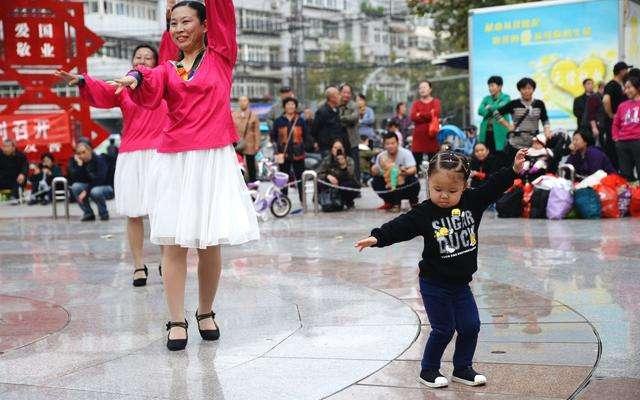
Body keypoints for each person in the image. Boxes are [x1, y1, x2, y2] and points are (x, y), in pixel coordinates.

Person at [110, 0, 260, 351]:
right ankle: (176, 319)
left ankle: (205, 311)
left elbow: (223, 10)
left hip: (212, 159)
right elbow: (146, 83)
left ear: (206, 25)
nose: (178, 29)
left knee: (209, 243)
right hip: (173, 161)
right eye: (172, 23)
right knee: (172, 243)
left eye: (186, 21)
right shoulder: (167, 68)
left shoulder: (221, 56)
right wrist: (133, 77)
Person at [355, 149, 527, 389]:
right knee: (444, 328)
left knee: (470, 326)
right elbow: (401, 226)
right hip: (434, 283)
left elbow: (493, 186)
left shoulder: (472, 202)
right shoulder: (426, 212)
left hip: (461, 283)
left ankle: (462, 368)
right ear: (428, 184)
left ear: (464, 187)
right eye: (437, 190)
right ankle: (429, 370)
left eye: (452, 191)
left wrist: (514, 170)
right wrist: (377, 237)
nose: (444, 196)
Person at [56, 43, 169, 287]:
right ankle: (139, 265)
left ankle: (166, 261)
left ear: (156, 63)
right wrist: (82, 80)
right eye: (137, 56)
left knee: (162, 213)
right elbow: (102, 89)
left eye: (148, 58)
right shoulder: (124, 90)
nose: (142, 60)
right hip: (131, 155)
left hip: (160, 154)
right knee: (133, 213)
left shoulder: (164, 86)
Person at [495, 77, 551, 160]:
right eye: (524, 88)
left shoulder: (539, 104)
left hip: (534, 142)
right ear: (519, 90)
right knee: (516, 167)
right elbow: (496, 113)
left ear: (533, 89)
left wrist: (547, 131)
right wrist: (508, 126)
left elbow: (545, 119)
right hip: (516, 143)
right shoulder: (514, 104)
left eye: (529, 88)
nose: (527, 91)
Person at [271, 97, 309, 202]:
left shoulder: (300, 120)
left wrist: (303, 146)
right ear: (284, 106)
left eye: (292, 104)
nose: (290, 106)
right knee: (283, 180)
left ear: (295, 107)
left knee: (300, 178)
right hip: (284, 154)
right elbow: (273, 136)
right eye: (288, 104)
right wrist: (277, 150)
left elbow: (306, 136)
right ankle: (284, 201)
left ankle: (303, 200)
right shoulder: (279, 121)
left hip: (298, 153)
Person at [371, 132, 420, 212]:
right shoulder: (381, 156)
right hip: (388, 181)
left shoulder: (406, 153)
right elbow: (377, 170)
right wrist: (374, 170)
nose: (390, 146)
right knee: (375, 181)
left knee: (413, 181)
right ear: (384, 145)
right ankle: (389, 202)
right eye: (387, 144)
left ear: (398, 143)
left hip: (404, 180)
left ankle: (413, 201)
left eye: (393, 143)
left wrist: (403, 172)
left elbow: (413, 169)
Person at [68, 142, 114, 222]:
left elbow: (101, 179)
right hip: (91, 187)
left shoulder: (99, 159)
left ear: (90, 150)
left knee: (95, 191)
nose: (81, 155)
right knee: (76, 187)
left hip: (107, 187)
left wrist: (86, 191)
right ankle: (88, 213)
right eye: (79, 153)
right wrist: (80, 166)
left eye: (83, 152)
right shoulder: (82, 162)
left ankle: (104, 214)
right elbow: (77, 179)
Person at [316, 138, 360, 210]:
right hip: (331, 184)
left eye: (340, 148)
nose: (337, 150)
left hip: (343, 184)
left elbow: (351, 175)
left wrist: (343, 166)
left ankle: (348, 201)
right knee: (320, 183)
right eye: (335, 148)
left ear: (343, 149)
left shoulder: (349, 160)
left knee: (349, 184)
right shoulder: (327, 159)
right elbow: (318, 173)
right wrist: (328, 176)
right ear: (332, 149)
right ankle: (325, 201)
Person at [603, 61, 632, 168]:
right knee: (613, 148)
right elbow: (606, 100)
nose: (628, 72)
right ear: (622, 71)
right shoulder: (611, 85)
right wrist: (611, 115)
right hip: (612, 123)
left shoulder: (622, 85)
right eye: (626, 70)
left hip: (621, 124)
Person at [612, 76, 640, 181]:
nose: (626, 91)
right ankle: (631, 196)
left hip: (638, 141)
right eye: (625, 88)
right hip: (623, 143)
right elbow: (615, 124)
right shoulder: (622, 105)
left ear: (637, 88)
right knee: (625, 174)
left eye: (629, 87)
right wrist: (616, 138)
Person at [477, 76, 511, 157]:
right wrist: (493, 108)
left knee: (500, 155)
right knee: (486, 155)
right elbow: (480, 111)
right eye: (489, 86)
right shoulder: (486, 98)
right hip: (486, 132)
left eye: (492, 86)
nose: (490, 88)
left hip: (500, 132)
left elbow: (501, 108)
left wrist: (489, 107)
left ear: (500, 86)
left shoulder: (506, 97)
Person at [410, 80, 441, 166]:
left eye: (424, 87)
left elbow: (436, 114)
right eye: (420, 88)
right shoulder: (416, 103)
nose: (422, 89)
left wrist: (420, 114)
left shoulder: (436, 102)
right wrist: (429, 114)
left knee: (434, 165)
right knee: (415, 163)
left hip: (432, 136)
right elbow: (413, 117)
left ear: (430, 89)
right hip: (418, 137)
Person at [311, 86, 347, 156]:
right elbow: (314, 130)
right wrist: (315, 142)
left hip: (337, 146)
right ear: (332, 98)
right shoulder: (322, 112)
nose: (340, 97)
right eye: (338, 94)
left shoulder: (336, 110)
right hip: (326, 148)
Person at [232, 96, 261, 182]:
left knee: (251, 166)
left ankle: (253, 183)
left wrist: (257, 145)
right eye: (241, 101)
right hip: (237, 144)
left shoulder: (253, 115)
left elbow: (257, 132)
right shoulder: (234, 114)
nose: (242, 103)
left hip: (250, 144)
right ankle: (240, 183)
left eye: (244, 101)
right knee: (238, 166)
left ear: (248, 102)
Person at [339, 84, 360, 182]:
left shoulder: (353, 105)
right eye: (344, 92)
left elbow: (354, 118)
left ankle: (357, 186)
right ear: (340, 93)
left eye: (348, 93)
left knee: (355, 164)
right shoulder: (336, 104)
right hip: (340, 140)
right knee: (342, 163)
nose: (346, 95)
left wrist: (340, 119)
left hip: (352, 140)